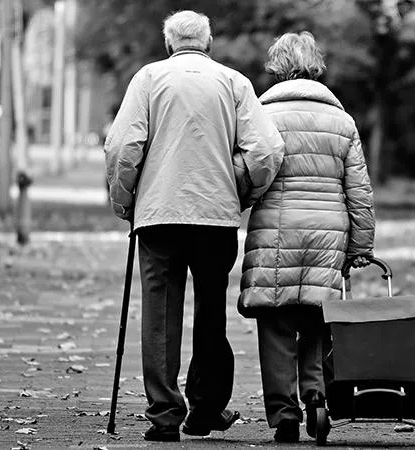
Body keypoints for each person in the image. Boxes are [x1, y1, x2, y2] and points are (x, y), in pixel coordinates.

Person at [104, 10, 284, 442]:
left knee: (159, 316)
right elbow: (267, 150)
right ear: (208, 42)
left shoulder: (149, 79)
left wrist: (125, 200)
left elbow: (122, 145)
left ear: (169, 44)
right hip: (214, 216)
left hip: (159, 216)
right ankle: (203, 409)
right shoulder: (233, 82)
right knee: (209, 313)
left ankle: (164, 414)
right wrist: (240, 189)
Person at [236, 32, 376, 443]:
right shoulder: (341, 120)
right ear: (315, 65)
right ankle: (316, 398)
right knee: (317, 317)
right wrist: (362, 246)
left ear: (277, 66)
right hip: (328, 231)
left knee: (276, 320)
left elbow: (248, 174)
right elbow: (359, 191)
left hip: (275, 229)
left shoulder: (261, 115)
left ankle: (283, 414)